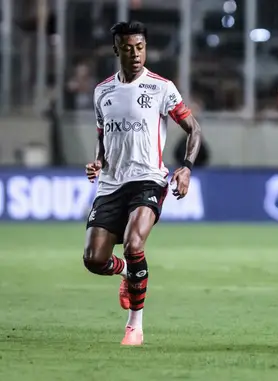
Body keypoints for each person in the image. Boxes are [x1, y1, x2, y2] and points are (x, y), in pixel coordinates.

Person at [83, 21, 202, 346]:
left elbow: (194, 129)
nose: (135, 54)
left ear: (145, 49)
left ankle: (134, 325)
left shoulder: (161, 87)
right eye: (128, 48)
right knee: (93, 260)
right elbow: (102, 137)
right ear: (116, 49)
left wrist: (187, 168)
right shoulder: (102, 91)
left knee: (136, 244)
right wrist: (97, 161)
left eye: (140, 47)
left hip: (148, 179)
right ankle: (127, 274)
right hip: (110, 184)